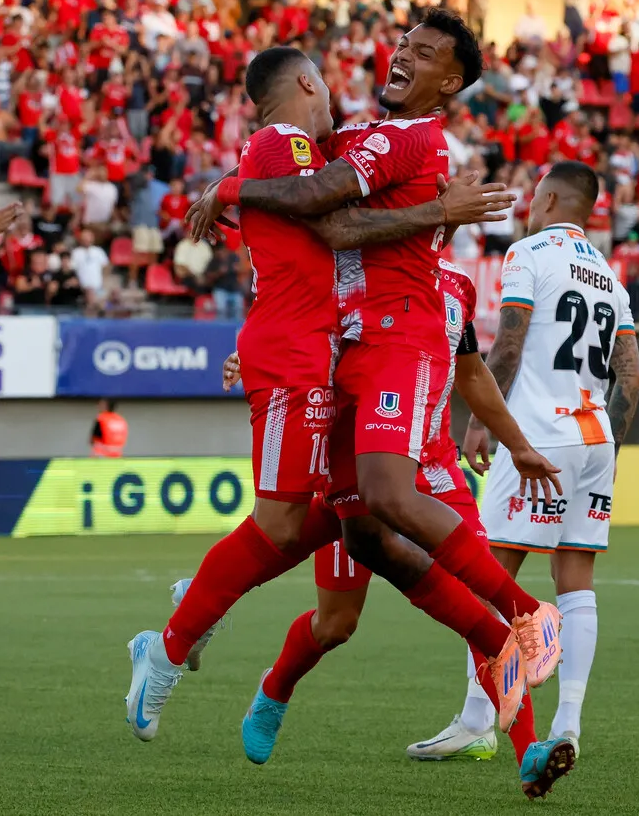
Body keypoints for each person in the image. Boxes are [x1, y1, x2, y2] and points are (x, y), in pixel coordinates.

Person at [124, 45, 529, 744]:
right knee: (288, 524)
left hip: (329, 359)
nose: (340, 101)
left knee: (346, 520)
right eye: (327, 86)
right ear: (308, 82)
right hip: (293, 353)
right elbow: (327, 215)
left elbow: (325, 220)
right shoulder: (284, 143)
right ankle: (167, 644)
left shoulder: (311, 151)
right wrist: (439, 206)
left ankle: (509, 663)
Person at [220, 258, 576, 798]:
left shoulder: (455, 287)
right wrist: (258, 360)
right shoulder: (355, 276)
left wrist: (520, 445)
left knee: (480, 610)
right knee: (336, 623)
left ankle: (529, 753)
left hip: (434, 471)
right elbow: (305, 346)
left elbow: (472, 374)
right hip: (366, 472)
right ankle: (275, 688)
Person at [409, 161, 639, 762]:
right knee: (577, 583)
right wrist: (609, 450)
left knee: (491, 574)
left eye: (534, 197)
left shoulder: (529, 255)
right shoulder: (610, 280)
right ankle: (568, 723)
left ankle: (476, 719)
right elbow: (633, 377)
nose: (527, 208)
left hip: (538, 438)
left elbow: (508, 344)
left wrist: (486, 422)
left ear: (551, 199)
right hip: (594, 442)